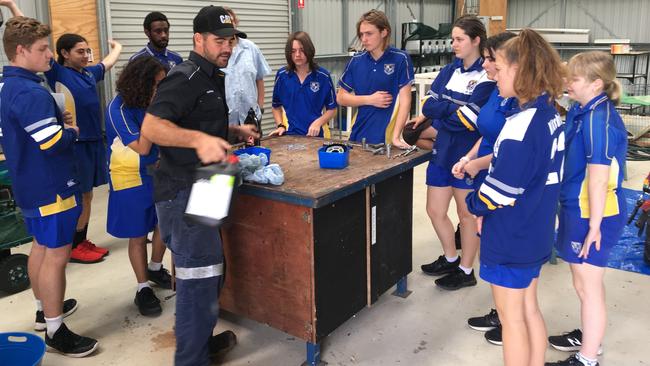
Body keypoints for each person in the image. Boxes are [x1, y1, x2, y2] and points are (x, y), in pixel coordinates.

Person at [140, 6, 258, 365]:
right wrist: (197, 140)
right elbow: (152, 127)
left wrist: (231, 132)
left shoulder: (213, 77)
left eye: (231, 40)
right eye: (219, 41)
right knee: (195, 282)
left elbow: (198, 119)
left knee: (209, 273)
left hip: (207, 187)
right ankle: (190, 359)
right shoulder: (185, 77)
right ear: (198, 39)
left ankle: (200, 344)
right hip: (183, 193)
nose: (227, 47)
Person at [466, 28, 566, 366]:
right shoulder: (549, 113)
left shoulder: (523, 124)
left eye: (501, 68)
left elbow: (499, 190)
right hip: (535, 229)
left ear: (520, 71)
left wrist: (474, 204)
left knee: (512, 322)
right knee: (528, 310)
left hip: (512, 234)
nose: (494, 75)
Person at [0, 15, 98, 357]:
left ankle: (44, 311)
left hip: (29, 183)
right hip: (52, 186)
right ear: (21, 50)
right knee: (57, 256)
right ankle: (56, 330)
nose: (49, 56)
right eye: (42, 49)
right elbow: (52, 142)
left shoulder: (9, 85)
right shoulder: (30, 91)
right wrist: (69, 130)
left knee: (41, 248)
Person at [546, 51, 627, 366]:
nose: (567, 83)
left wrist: (594, 224)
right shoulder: (584, 110)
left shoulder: (598, 119)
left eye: (574, 79)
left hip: (594, 213)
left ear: (595, 84)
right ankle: (591, 338)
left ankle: (588, 358)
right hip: (577, 207)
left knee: (588, 285)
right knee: (583, 282)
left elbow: (598, 178)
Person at [416, 15, 495, 291]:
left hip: (467, 155)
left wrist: (446, 110)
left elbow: (470, 120)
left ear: (476, 41)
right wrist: (454, 110)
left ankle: (466, 269)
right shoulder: (450, 70)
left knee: (466, 215)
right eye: (453, 39)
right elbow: (428, 106)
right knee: (435, 209)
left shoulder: (487, 77)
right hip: (442, 151)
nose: (454, 44)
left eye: (459, 39)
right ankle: (451, 257)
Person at [453, 31, 517, 345]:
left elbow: (510, 150)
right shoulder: (496, 90)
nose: (487, 64)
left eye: (493, 59)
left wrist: (477, 164)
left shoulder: (519, 100)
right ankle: (501, 311)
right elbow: (487, 133)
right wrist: (469, 156)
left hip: (501, 181)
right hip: (484, 174)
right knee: (490, 252)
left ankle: (510, 322)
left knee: (502, 256)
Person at [44, 33, 122, 263]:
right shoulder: (58, 72)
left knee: (88, 196)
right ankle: (73, 245)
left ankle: (80, 240)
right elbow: (40, 41)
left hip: (95, 142)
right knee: (80, 196)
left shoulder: (88, 73)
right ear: (64, 54)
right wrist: (11, 6)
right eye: (80, 51)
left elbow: (108, 63)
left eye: (88, 51)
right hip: (76, 144)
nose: (86, 55)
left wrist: (117, 46)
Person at [105, 57, 171, 316]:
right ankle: (143, 288)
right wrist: (157, 115)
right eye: (156, 85)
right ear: (141, 83)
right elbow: (142, 147)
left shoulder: (152, 100)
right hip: (130, 175)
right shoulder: (118, 108)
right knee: (138, 233)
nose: (160, 90)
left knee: (162, 223)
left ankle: (155, 268)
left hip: (158, 169)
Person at [337, 9, 414, 147]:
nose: (364, 39)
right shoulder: (356, 61)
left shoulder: (400, 59)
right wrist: (370, 99)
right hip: (359, 135)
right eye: (361, 34)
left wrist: (396, 137)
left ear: (384, 32)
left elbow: (405, 101)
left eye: (369, 34)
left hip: (388, 137)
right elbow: (341, 97)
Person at [269, 31, 337, 137]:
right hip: (290, 136)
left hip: (315, 137)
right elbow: (276, 106)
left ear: (309, 50)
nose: (297, 55)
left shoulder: (323, 76)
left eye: (301, 50)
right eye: (293, 51)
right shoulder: (282, 76)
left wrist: (318, 123)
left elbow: (332, 109)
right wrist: (280, 125)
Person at [222, 6, 271, 127]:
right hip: (227, 121)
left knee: (254, 146)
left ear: (236, 23)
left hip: (250, 118)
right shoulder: (218, 52)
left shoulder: (251, 48)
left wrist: (259, 107)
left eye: (232, 22)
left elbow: (259, 79)